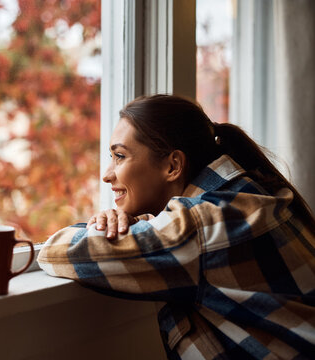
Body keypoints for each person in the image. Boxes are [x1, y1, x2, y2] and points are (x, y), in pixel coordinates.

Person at [37, 94, 315, 360]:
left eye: (119, 156)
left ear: (173, 166)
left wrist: (107, 226)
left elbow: (56, 251)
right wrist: (138, 223)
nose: (107, 174)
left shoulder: (201, 227)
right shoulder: (248, 195)